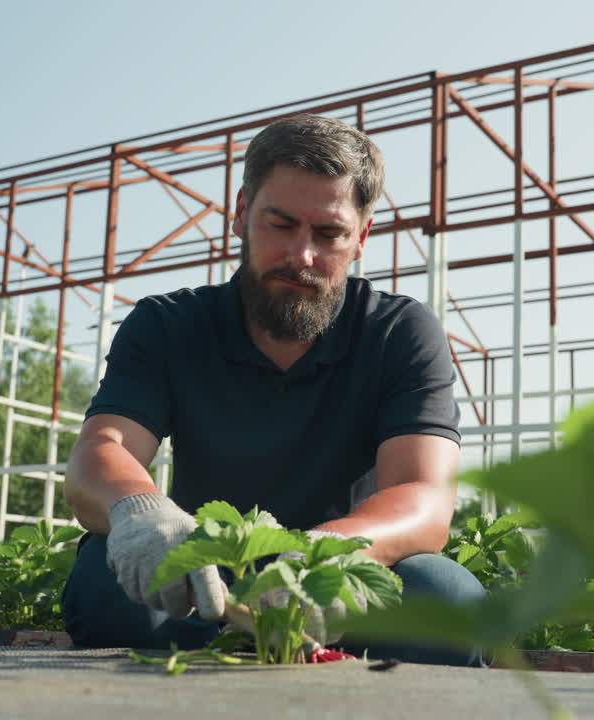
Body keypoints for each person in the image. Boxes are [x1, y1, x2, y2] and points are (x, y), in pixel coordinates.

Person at [60, 114, 485, 665]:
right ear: (240, 213)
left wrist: (330, 554)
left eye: (329, 233)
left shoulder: (398, 332)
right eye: (280, 224)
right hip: (206, 576)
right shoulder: (168, 325)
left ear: (361, 238)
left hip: (341, 576)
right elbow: (103, 449)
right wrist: (140, 510)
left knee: (448, 600)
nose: (302, 256)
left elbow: (424, 497)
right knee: (102, 584)